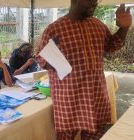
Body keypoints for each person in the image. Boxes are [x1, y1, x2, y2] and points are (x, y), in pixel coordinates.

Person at [35, 0, 132, 139]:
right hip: (69, 101)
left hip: (96, 98)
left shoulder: (97, 25)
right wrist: (52, 57)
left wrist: (124, 28)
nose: (95, 2)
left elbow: (112, 45)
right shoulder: (54, 30)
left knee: (95, 136)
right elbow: (41, 60)